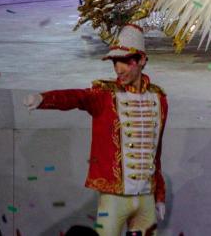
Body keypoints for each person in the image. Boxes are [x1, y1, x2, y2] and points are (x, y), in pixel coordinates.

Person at [27, 24, 169, 236]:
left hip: (146, 198)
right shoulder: (104, 95)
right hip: (113, 200)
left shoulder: (159, 98)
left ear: (141, 61)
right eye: (115, 63)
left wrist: (159, 195)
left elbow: (155, 153)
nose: (119, 69)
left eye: (126, 62)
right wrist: (44, 99)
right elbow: (77, 97)